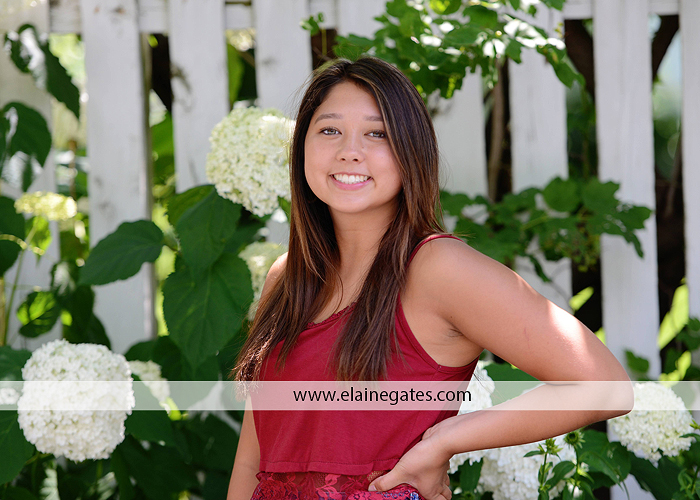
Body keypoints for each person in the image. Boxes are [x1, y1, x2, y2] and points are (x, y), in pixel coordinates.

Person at [227, 56, 632, 500]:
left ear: (411, 152)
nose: (349, 150)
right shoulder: (286, 279)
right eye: (329, 130)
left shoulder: (437, 269)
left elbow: (605, 386)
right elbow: (252, 460)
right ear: (302, 146)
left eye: (377, 133)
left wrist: (446, 440)